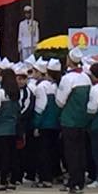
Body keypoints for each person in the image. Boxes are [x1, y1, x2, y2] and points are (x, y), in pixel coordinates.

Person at [55, 48, 91, 194]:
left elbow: (60, 101)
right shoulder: (86, 77)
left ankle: (73, 181)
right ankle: (79, 181)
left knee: (71, 153)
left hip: (69, 120)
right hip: (82, 120)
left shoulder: (68, 78)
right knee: (80, 151)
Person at [33, 59, 61, 187]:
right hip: (55, 124)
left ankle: (46, 178)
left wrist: (36, 124)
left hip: (45, 124)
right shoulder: (56, 86)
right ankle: (54, 175)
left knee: (43, 152)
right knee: (53, 151)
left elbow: (40, 106)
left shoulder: (41, 87)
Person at [0, 68, 19, 191]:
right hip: (12, 128)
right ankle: (12, 180)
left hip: (0, 128)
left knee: (3, 156)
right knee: (12, 155)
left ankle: (2, 181)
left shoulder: (0, 93)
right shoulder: (16, 94)